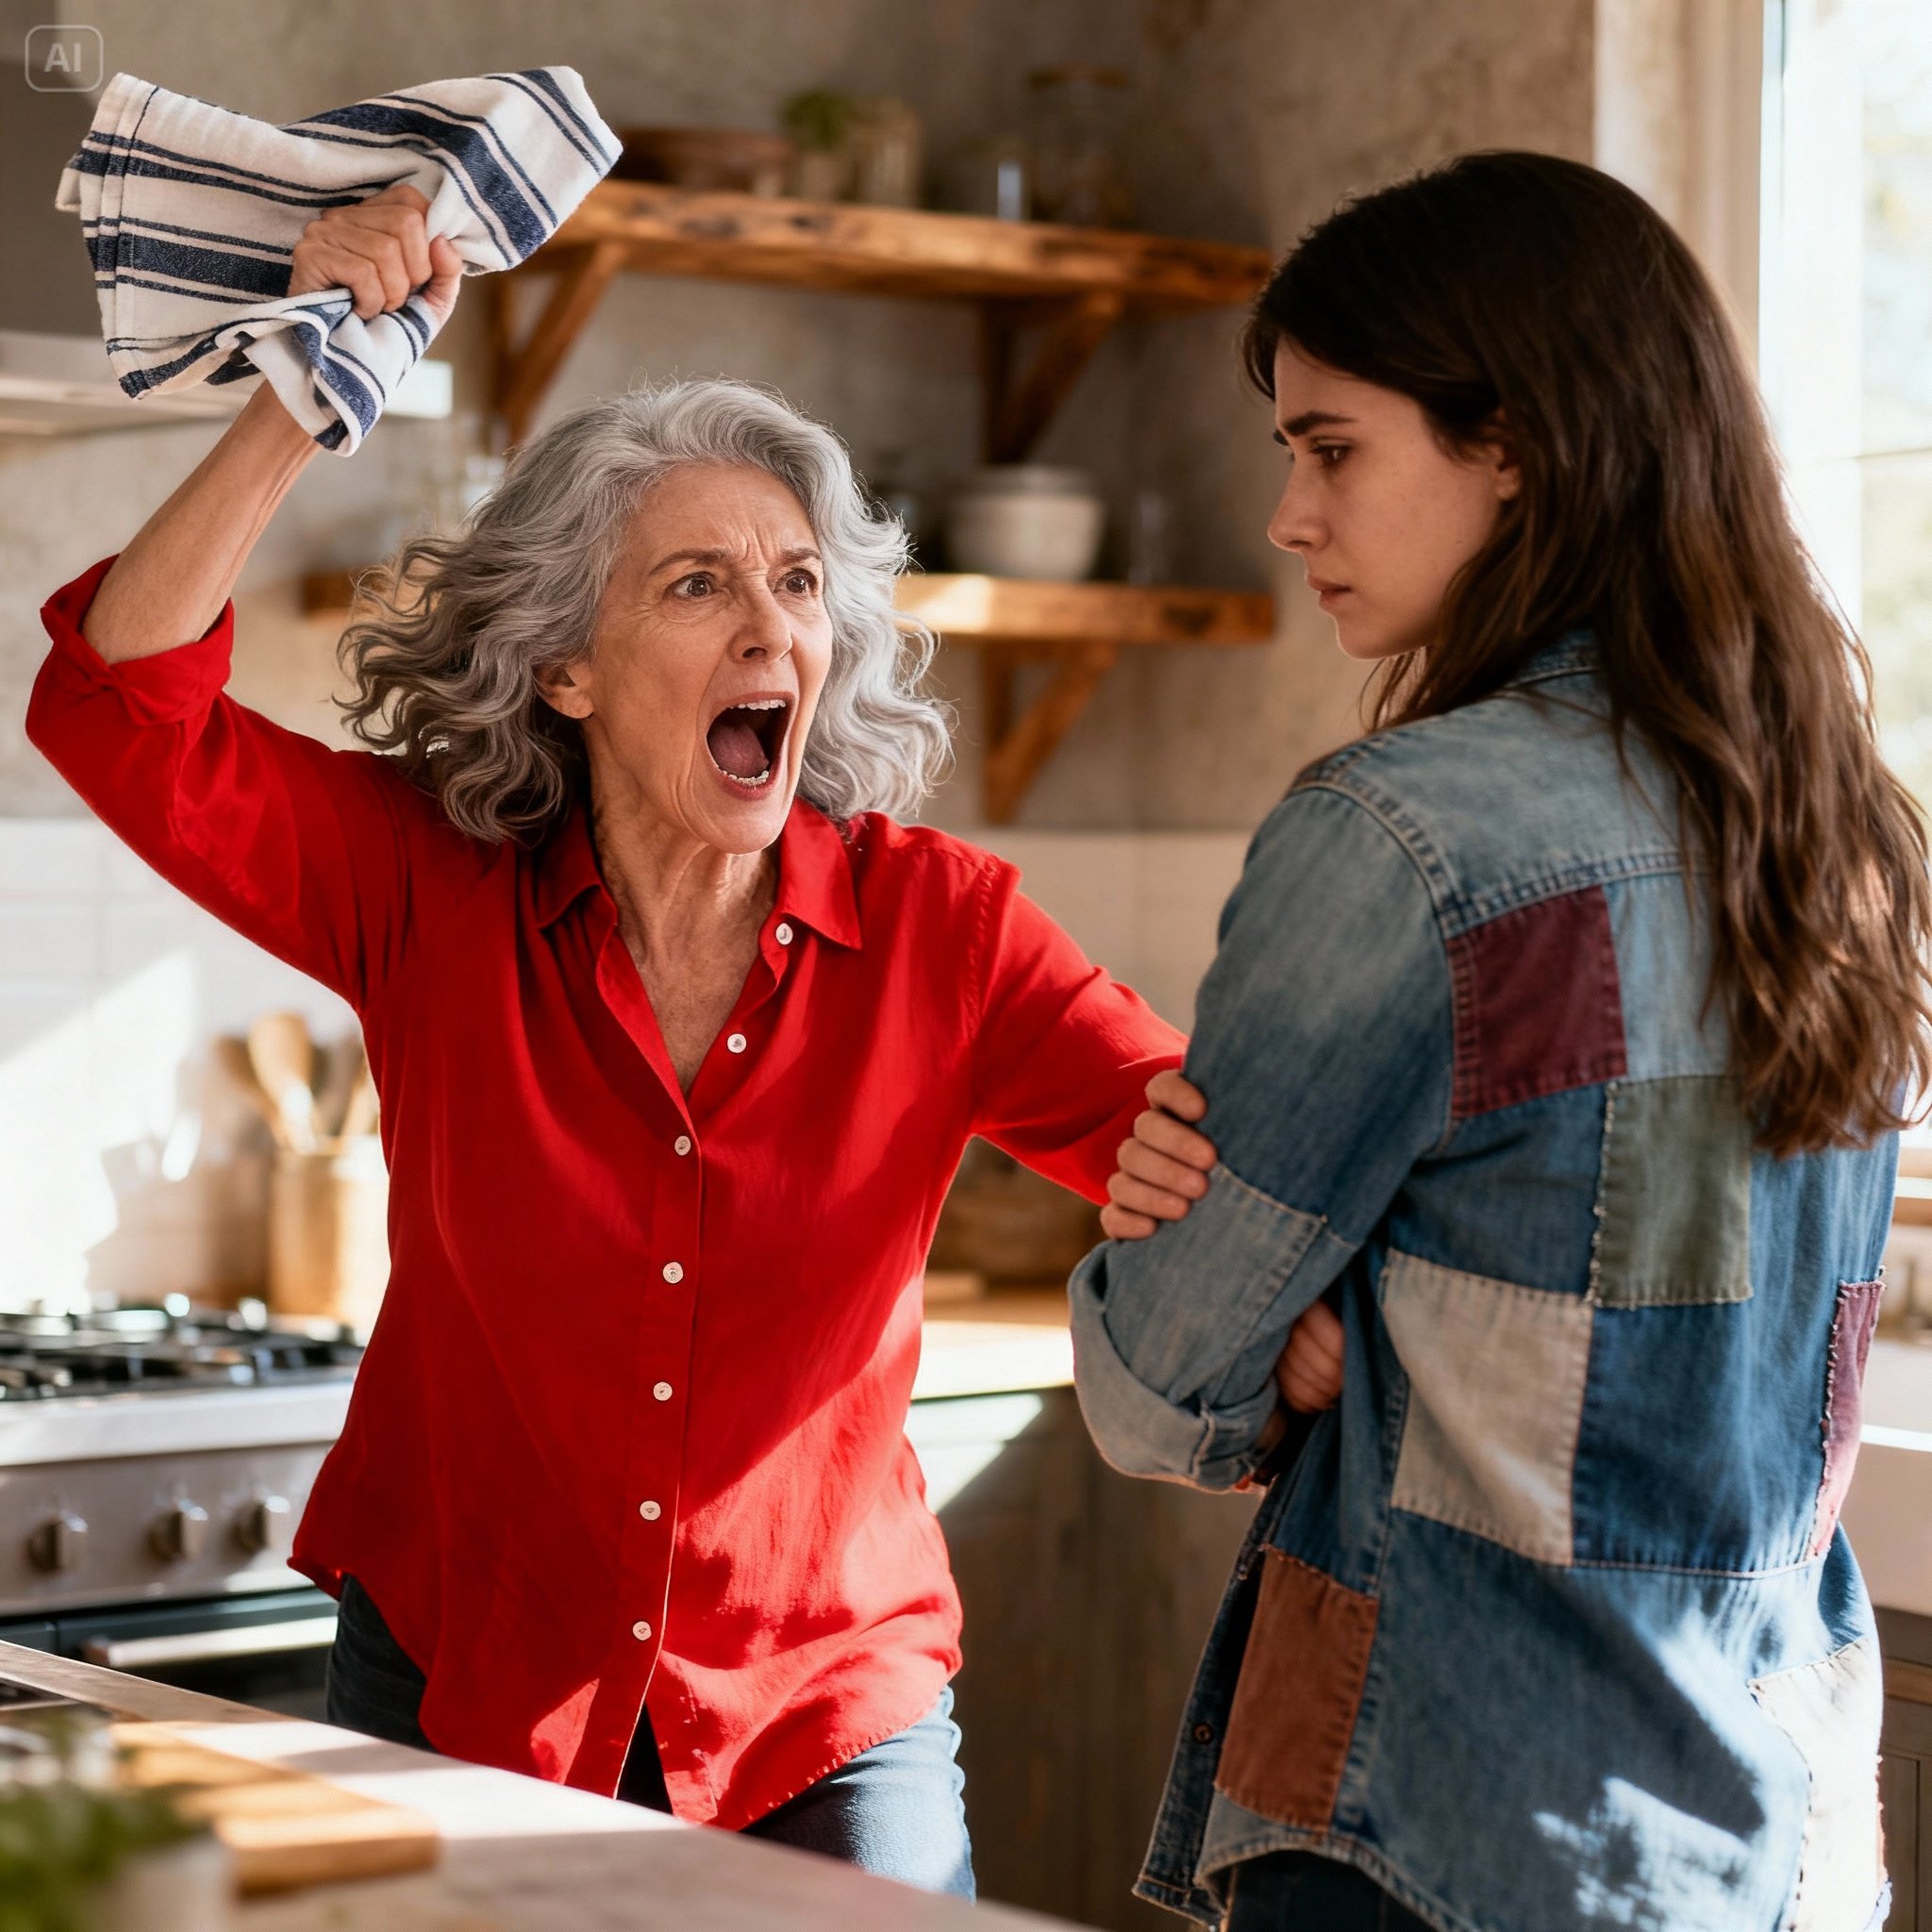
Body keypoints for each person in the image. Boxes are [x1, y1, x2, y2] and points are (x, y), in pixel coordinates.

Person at [25, 182, 1329, 1895]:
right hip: (462, 1671)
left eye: (797, 584)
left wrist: (1306, 1314)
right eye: (698, 584)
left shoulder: (941, 929)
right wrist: (309, 381)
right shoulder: (428, 888)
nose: (770, 626)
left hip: (818, 1710)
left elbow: (1203, 1153)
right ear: (567, 668)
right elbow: (119, 712)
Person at [1075, 151, 1928, 1932]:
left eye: (1332, 450)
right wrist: (1363, 1309)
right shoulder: (1842, 831)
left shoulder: (1407, 839)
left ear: (1518, 445)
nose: (1289, 517)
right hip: (1771, 1844)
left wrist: (1306, 1331)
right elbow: (1652, 1275)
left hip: (1448, 1824)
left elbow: (1160, 1378)